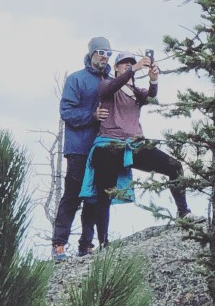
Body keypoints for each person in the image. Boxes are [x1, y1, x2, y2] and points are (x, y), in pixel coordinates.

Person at [84, 51, 197, 243]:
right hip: (108, 144)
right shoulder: (106, 84)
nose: (128, 65)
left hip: (135, 144)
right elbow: (109, 88)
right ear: (116, 67)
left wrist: (153, 80)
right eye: (124, 63)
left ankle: (183, 212)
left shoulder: (136, 92)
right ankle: (103, 243)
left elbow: (151, 96)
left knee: (174, 166)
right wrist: (134, 69)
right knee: (104, 193)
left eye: (131, 62)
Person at [52, 36, 115, 262]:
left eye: (109, 53)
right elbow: (66, 112)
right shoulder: (76, 79)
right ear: (91, 53)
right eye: (101, 52)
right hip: (79, 147)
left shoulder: (112, 81)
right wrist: (92, 116)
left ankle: (86, 244)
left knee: (95, 197)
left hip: (103, 147)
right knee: (72, 195)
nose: (105, 57)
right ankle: (59, 244)